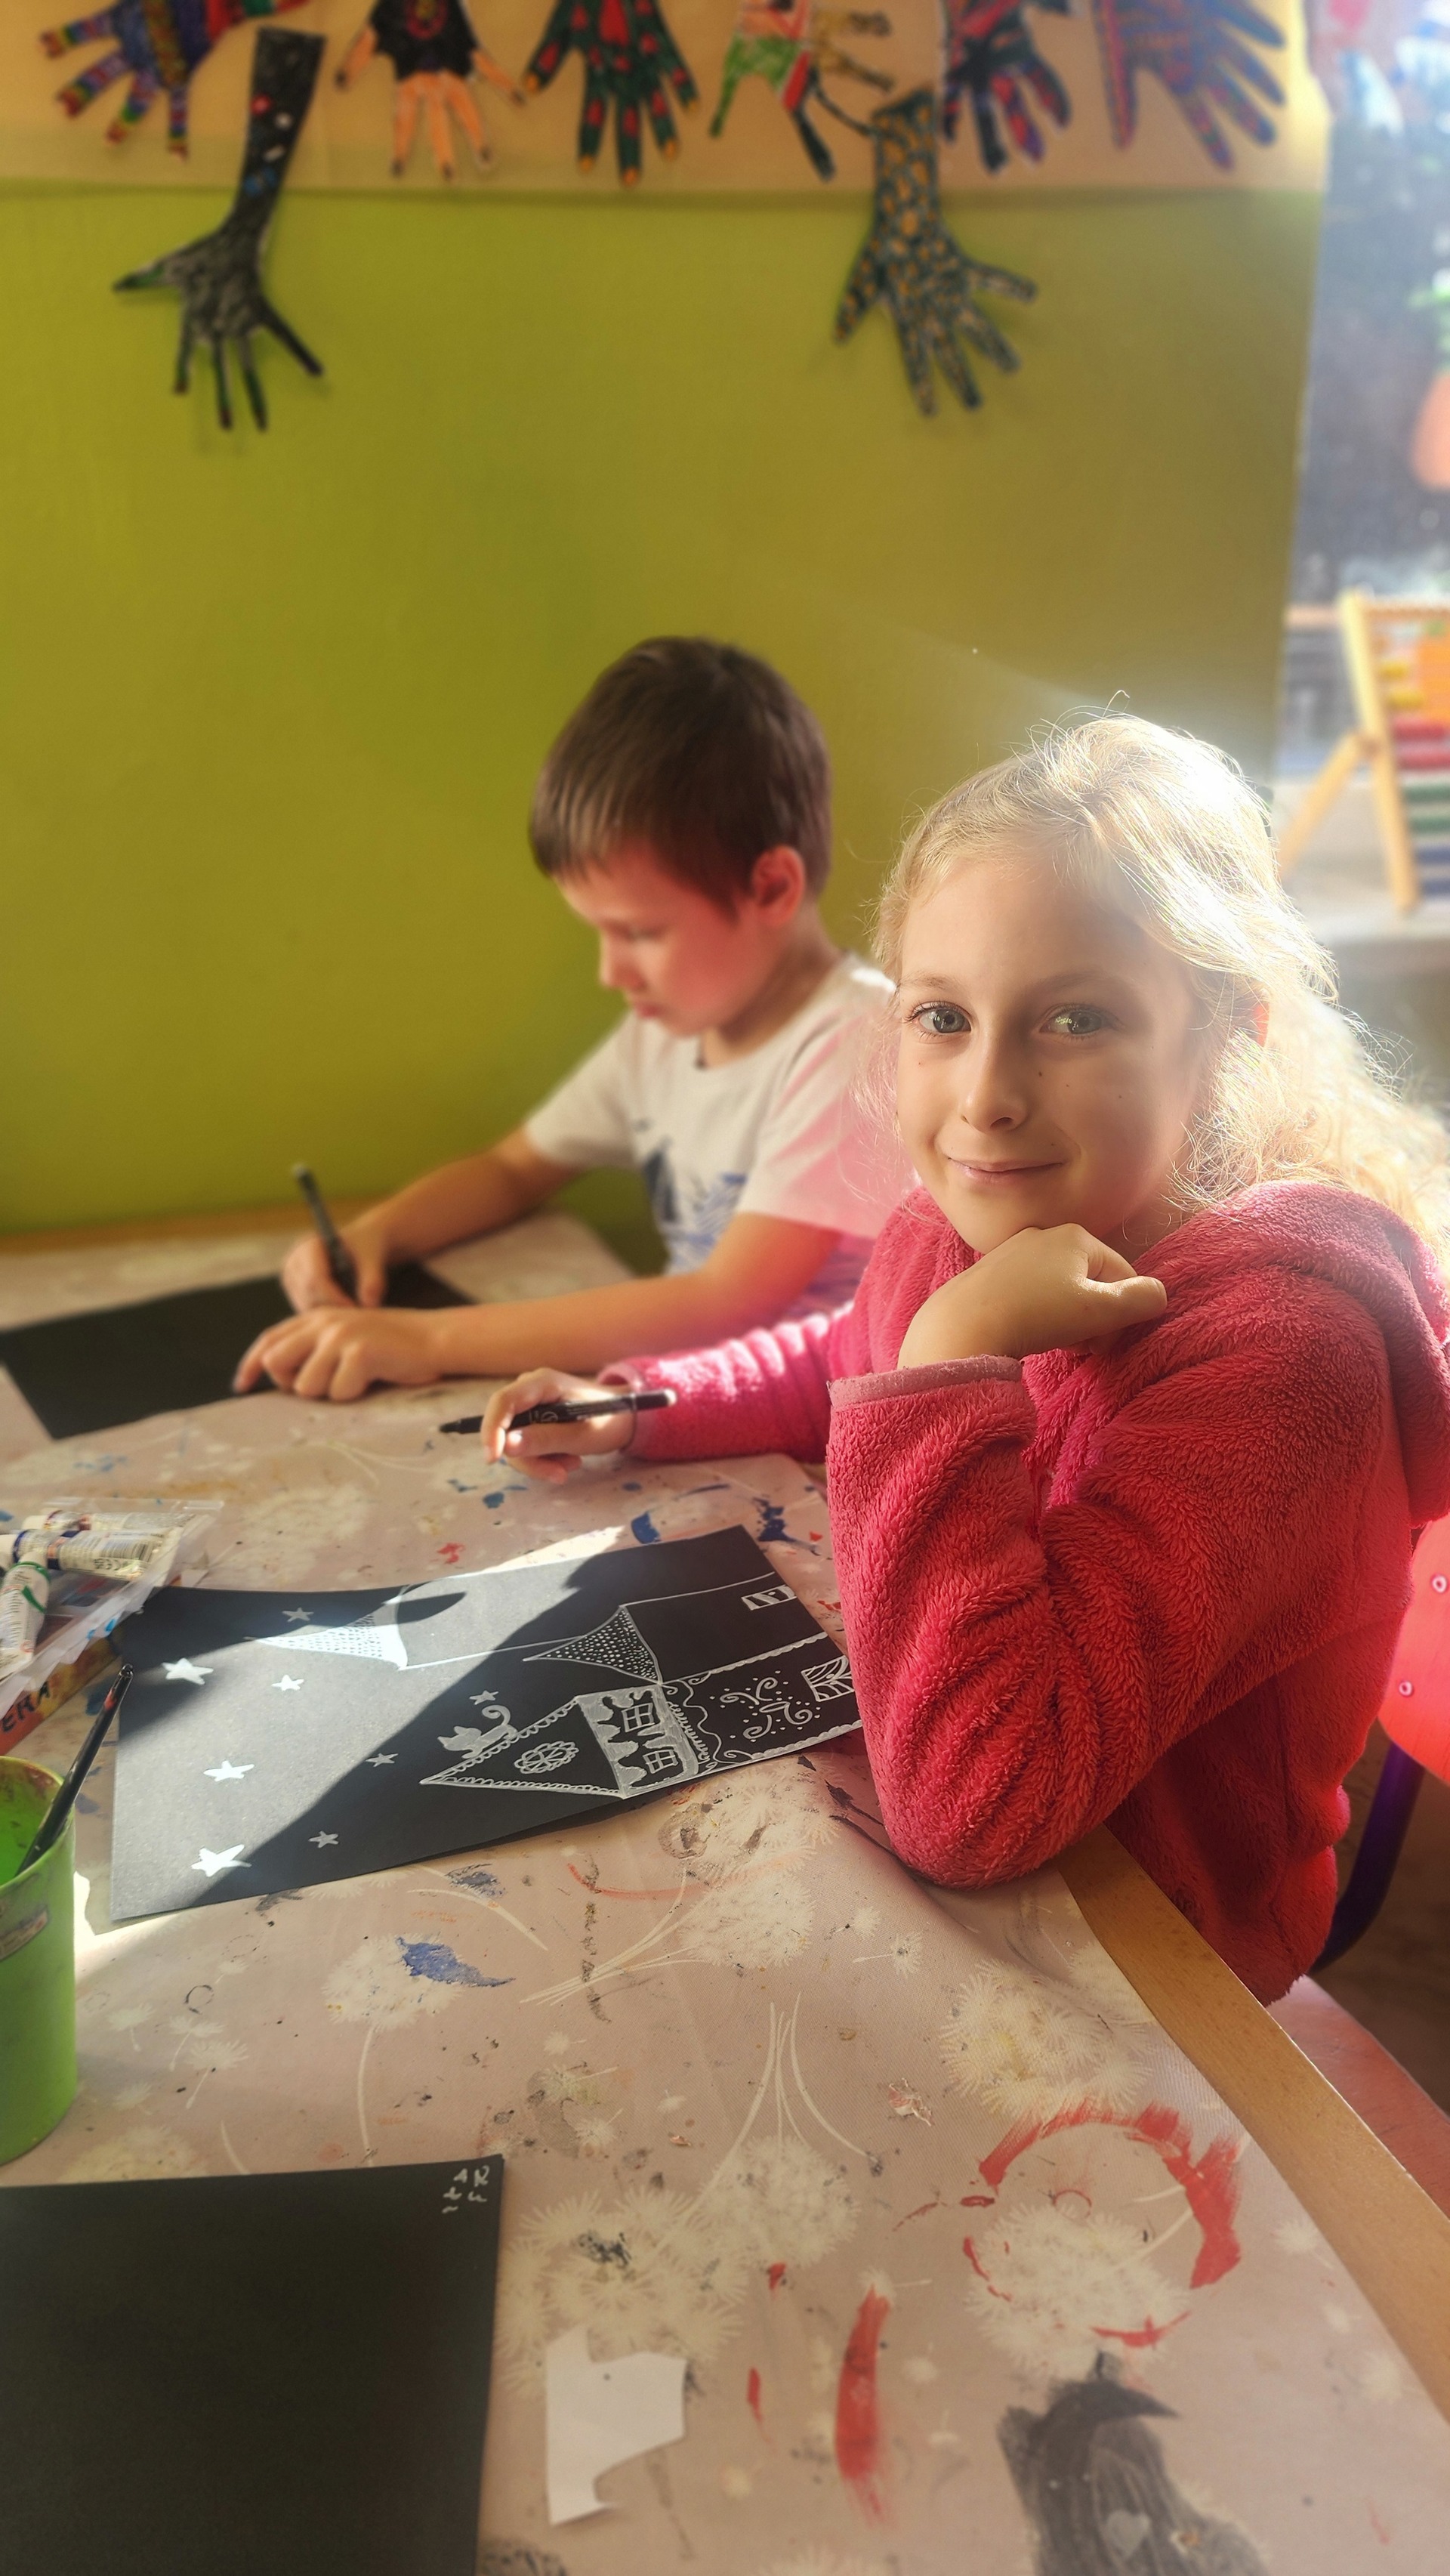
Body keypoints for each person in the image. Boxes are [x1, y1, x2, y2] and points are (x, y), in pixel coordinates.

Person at [480, 715, 1450, 2003]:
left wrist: (954, 1358)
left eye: (1076, 1019)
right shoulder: (965, 1231)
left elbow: (978, 1806)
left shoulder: (1286, 1360)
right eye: (943, 1015)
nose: (987, 1095)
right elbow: (843, 1355)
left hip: (1162, 1956)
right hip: (980, 1846)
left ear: (1224, 1035)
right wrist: (642, 1407)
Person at [236, 638, 903, 1403]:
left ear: (772, 886)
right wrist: (378, 1234)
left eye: (640, 932)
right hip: (698, 1400)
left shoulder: (857, 1043)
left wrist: (429, 1339)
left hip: (816, 1428)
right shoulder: (665, 1033)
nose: (611, 972)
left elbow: (725, 1301)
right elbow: (514, 1169)